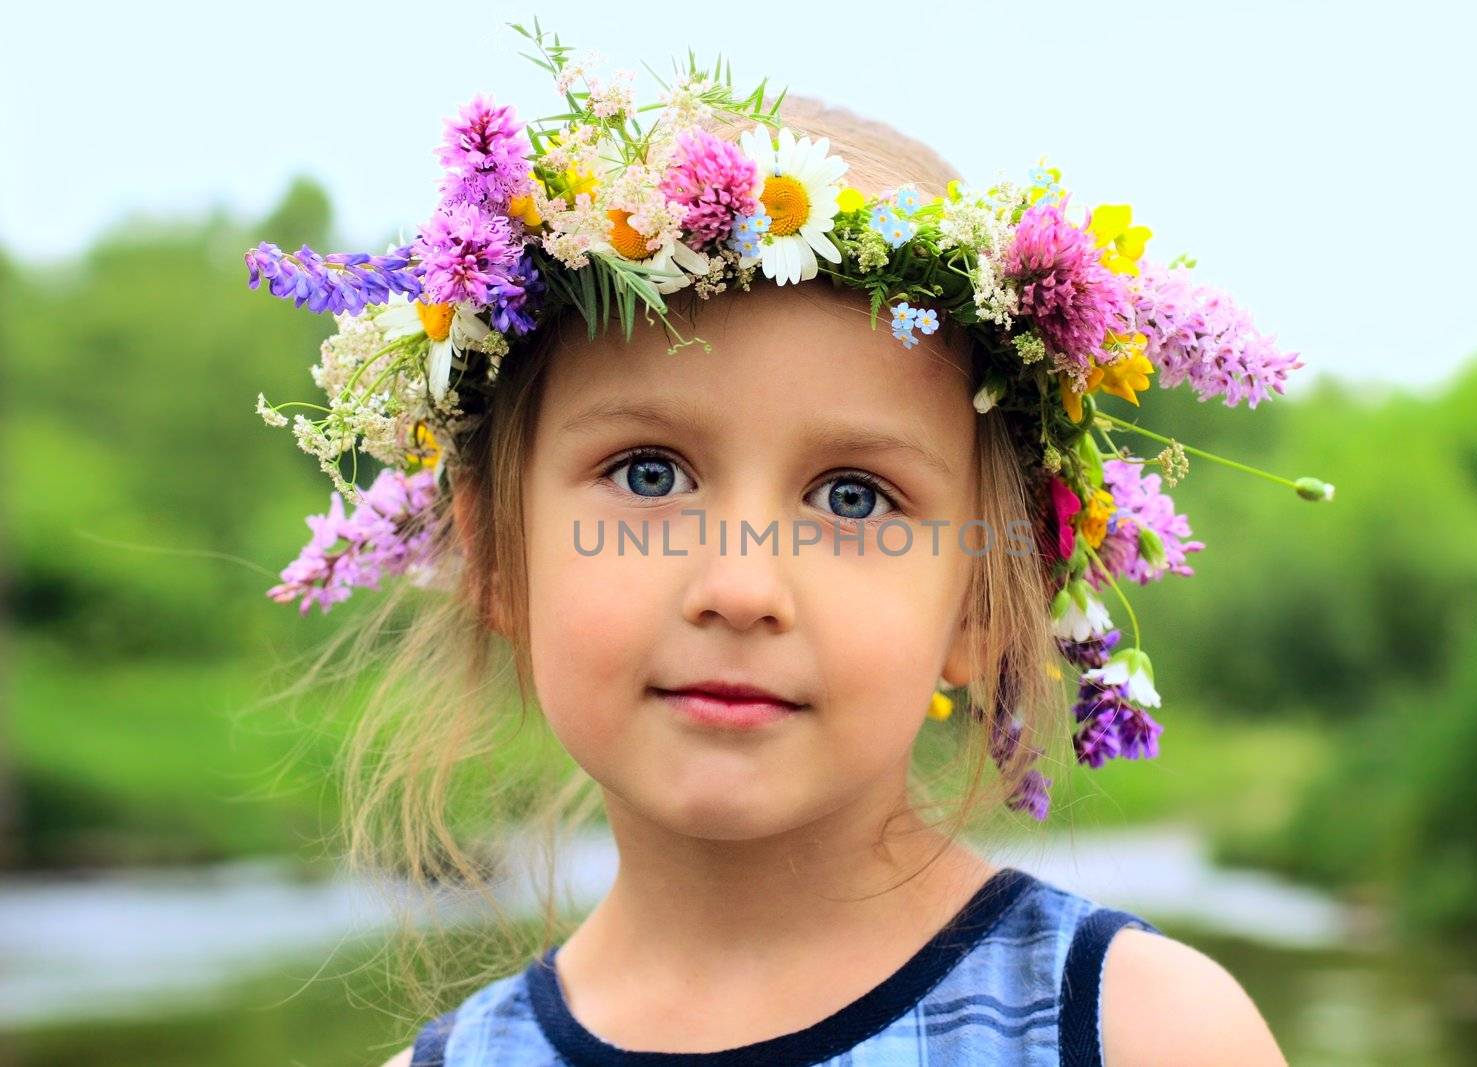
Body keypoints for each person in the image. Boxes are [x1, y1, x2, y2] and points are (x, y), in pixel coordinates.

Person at [248, 25, 1307, 1065]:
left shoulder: (1134, 1033)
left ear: (983, 601)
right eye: (648, 472)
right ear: (495, 557)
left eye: (853, 496)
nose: (742, 586)